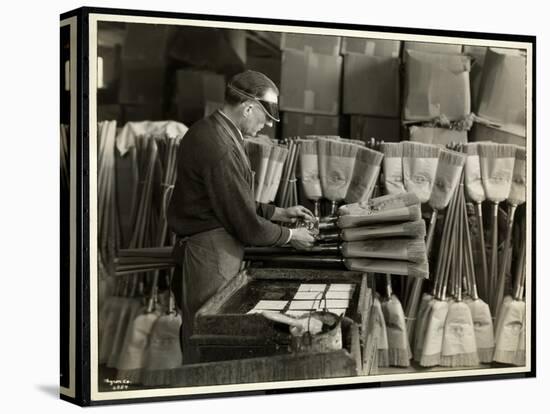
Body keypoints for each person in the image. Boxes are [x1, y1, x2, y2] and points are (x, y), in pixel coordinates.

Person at [167, 70, 316, 363]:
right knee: (209, 335)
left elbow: (231, 198)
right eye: (264, 119)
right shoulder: (219, 146)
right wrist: (291, 236)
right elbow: (247, 226)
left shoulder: (215, 131)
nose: (266, 127)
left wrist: (279, 212)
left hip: (214, 247)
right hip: (210, 253)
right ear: (248, 108)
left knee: (210, 331)